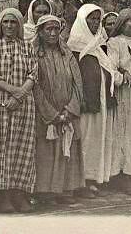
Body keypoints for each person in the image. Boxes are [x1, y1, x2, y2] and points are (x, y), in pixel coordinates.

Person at [0, 7, 37, 213]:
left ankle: (19, 193)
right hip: (0, 101)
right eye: (5, 22)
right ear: (0, 24)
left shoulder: (27, 46)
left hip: (25, 103)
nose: (9, 26)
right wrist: (13, 91)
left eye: (13, 22)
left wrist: (21, 93)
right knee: (2, 147)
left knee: (22, 146)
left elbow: (33, 72)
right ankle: (2, 195)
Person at [68, 4, 121, 197]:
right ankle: (81, 182)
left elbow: (109, 69)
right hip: (86, 102)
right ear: (82, 20)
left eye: (98, 19)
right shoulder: (74, 45)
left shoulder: (100, 44)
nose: (94, 23)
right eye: (91, 19)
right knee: (86, 141)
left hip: (102, 99)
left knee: (99, 140)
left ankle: (94, 179)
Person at [31, 14, 85, 205]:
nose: (53, 33)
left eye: (56, 29)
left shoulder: (67, 53)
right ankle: (46, 192)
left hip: (67, 112)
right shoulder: (33, 54)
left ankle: (65, 189)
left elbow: (77, 82)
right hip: (46, 115)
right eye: (48, 29)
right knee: (47, 150)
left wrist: (70, 109)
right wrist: (52, 114)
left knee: (67, 149)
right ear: (40, 31)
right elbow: (35, 86)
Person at [106, 9, 131, 195]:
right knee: (121, 134)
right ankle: (119, 175)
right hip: (123, 94)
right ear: (122, 23)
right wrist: (126, 77)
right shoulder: (114, 43)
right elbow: (111, 69)